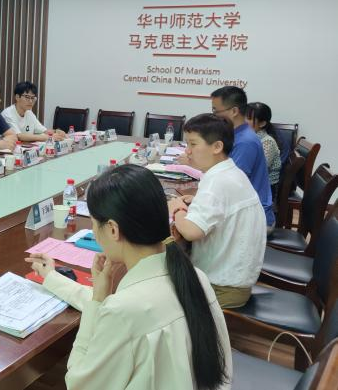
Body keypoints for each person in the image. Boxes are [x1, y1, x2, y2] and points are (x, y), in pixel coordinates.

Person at [27, 164, 231, 390]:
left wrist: (98, 300)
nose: (94, 233)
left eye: (94, 224)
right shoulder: (195, 277)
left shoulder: (124, 310)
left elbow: (78, 383)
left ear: (113, 229)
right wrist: (53, 278)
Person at [168, 114, 266, 309]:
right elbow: (223, 207)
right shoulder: (230, 172)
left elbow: (191, 232)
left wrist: (177, 208)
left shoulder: (217, 183)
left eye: (193, 144)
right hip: (235, 279)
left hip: (223, 289)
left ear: (217, 147)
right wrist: (196, 201)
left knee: (159, 293)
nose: (187, 151)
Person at [210, 86, 274, 228]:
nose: (213, 116)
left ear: (234, 111)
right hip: (239, 208)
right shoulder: (236, 134)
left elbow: (231, 185)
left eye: (216, 111)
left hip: (254, 220)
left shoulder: (245, 142)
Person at [1, 81, 65, 142]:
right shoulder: (8, 114)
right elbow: (18, 136)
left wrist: (56, 132)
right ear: (17, 97)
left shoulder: (29, 113)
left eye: (32, 98)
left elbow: (43, 130)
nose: (31, 101)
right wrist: (48, 137)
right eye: (27, 97)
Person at [245, 102, 282, 195]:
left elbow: (259, 170)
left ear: (262, 123)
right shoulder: (247, 137)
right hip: (251, 183)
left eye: (248, 118)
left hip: (264, 188)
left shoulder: (267, 142)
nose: (244, 121)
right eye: (243, 117)